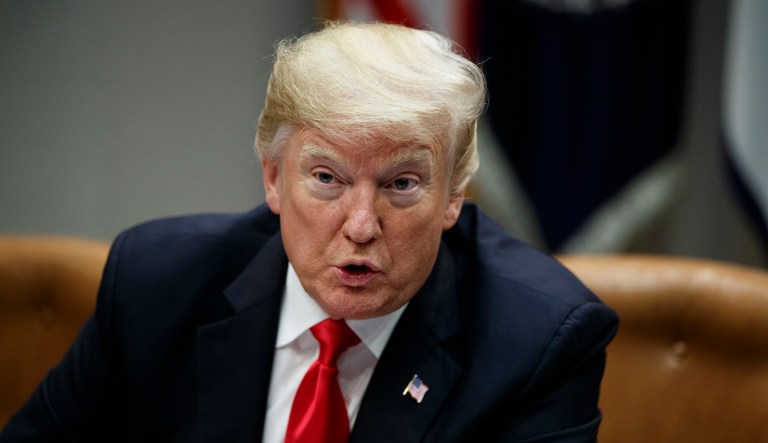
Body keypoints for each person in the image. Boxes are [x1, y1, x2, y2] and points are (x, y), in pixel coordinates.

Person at [0, 21, 618, 442]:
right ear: (273, 178)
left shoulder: (538, 342)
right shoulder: (154, 285)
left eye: (402, 183)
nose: (361, 225)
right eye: (326, 177)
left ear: (453, 194)